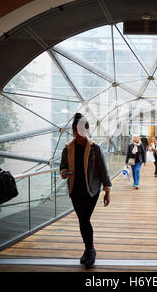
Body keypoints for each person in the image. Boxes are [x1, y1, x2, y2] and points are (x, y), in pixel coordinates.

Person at [60, 113, 112, 269]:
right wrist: (64, 173)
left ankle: (90, 250)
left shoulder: (95, 148)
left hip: (91, 190)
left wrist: (107, 191)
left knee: (84, 219)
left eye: (81, 130)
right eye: (76, 130)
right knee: (83, 220)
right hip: (75, 190)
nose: (78, 133)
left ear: (87, 130)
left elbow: (103, 170)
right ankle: (89, 250)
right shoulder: (67, 148)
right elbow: (62, 168)